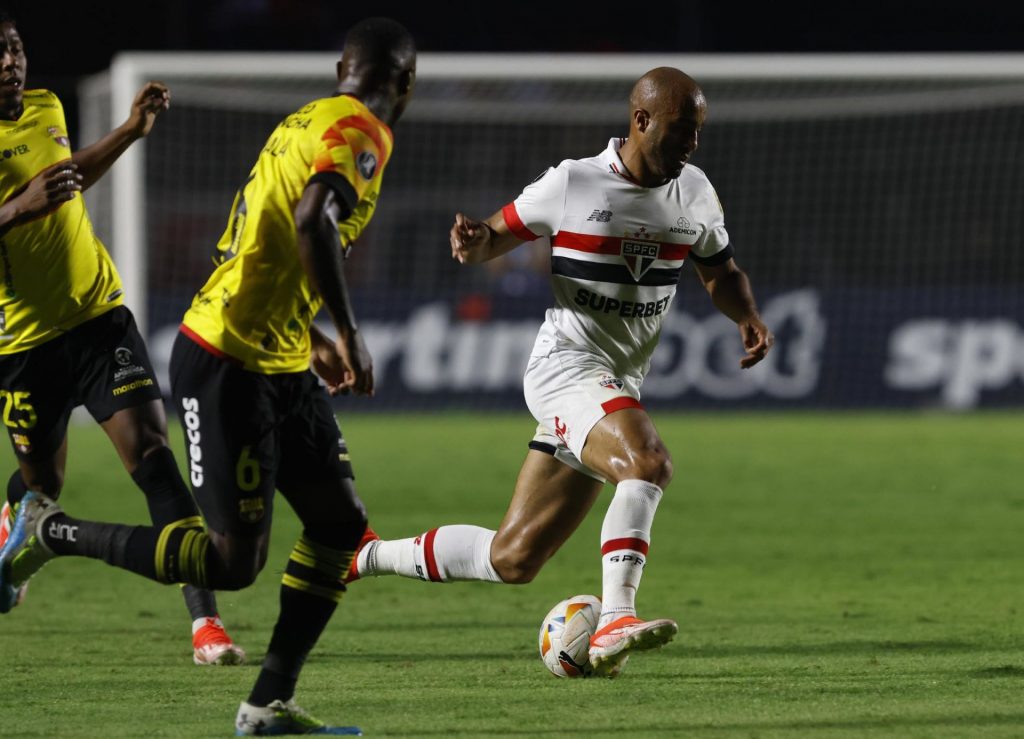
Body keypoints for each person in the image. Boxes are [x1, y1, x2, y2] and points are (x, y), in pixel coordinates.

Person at [0, 16, 415, 734]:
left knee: (336, 521)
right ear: (404, 83)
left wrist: (309, 334)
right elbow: (314, 219)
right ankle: (48, 530)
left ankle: (261, 696)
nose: (11, 61)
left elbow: (251, 236)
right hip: (204, 357)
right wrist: (349, 332)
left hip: (197, 339)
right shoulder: (361, 134)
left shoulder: (305, 120)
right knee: (226, 556)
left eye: (14, 47)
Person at [349, 67, 774, 679]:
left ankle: (365, 556)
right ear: (641, 121)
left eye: (698, 133)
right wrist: (473, 244)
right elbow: (494, 237)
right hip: (566, 368)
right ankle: (617, 618)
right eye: (682, 130)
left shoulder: (696, 191)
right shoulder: (573, 182)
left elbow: (720, 269)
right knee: (649, 463)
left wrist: (747, 314)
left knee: (513, 556)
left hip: (615, 385)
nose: (692, 144)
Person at [0, 9, 243, 666]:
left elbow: (68, 181)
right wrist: (16, 208)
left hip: (100, 321)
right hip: (22, 349)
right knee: (41, 484)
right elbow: (30, 202)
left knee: (155, 461)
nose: (9, 62)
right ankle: (17, 529)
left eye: (15, 48)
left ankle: (206, 625)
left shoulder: (47, 104)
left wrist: (130, 132)